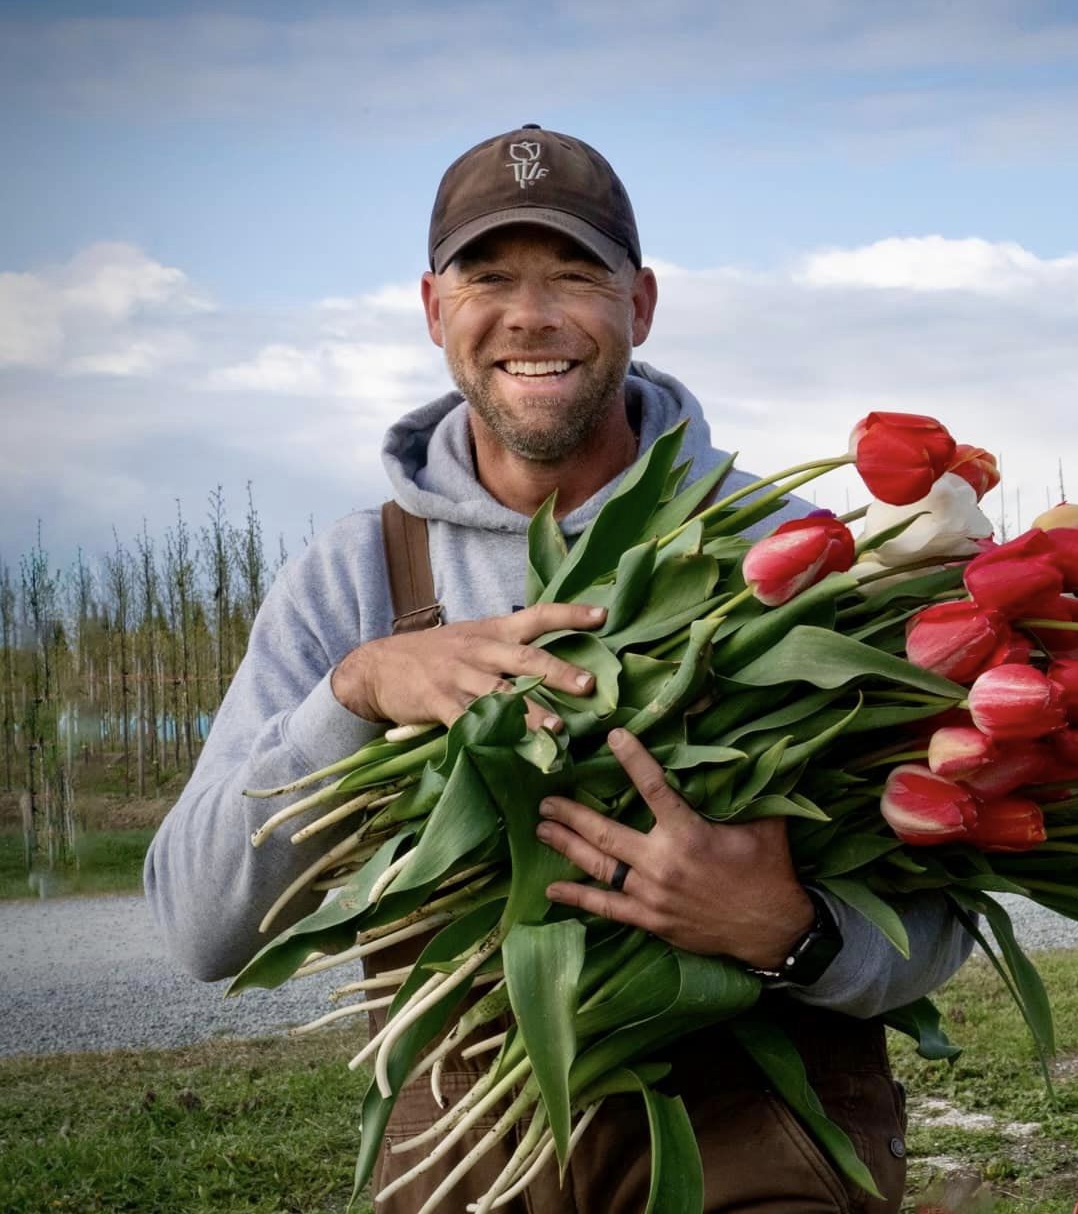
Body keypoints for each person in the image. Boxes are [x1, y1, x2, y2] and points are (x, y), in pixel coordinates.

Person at [145, 125, 973, 1213]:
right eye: (489, 276)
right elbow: (202, 928)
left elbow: (943, 922)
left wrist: (788, 929)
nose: (529, 315)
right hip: (460, 1151)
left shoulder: (809, 558)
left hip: (755, 1131)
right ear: (435, 309)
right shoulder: (356, 578)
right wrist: (355, 694)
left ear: (640, 303)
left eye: (572, 275)